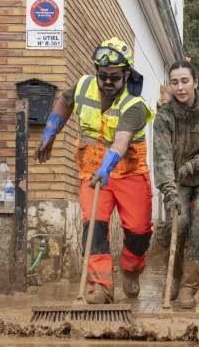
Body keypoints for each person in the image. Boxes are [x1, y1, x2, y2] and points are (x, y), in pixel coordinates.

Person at [33, 37, 155, 304]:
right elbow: (64, 103)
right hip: (91, 173)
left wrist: (106, 167)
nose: (107, 82)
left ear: (126, 75)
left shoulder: (134, 105)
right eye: (103, 76)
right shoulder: (84, 86)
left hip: (129, 174)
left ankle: (131, 269)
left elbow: (121, 141)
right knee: (94, 229)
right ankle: (100, 287)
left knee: (138, 231)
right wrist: (50, 135)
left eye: (114, 77)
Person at [154, 60, 199, 309]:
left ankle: (189, 286)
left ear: (195, 82)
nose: (180, 87)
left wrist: (193, 165)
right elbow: (162, 157)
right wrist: (169, 192)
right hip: (178, 180)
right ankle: (174, 277)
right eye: (174, 82)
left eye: (185, 81)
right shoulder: (164, 117)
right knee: (178, 221)